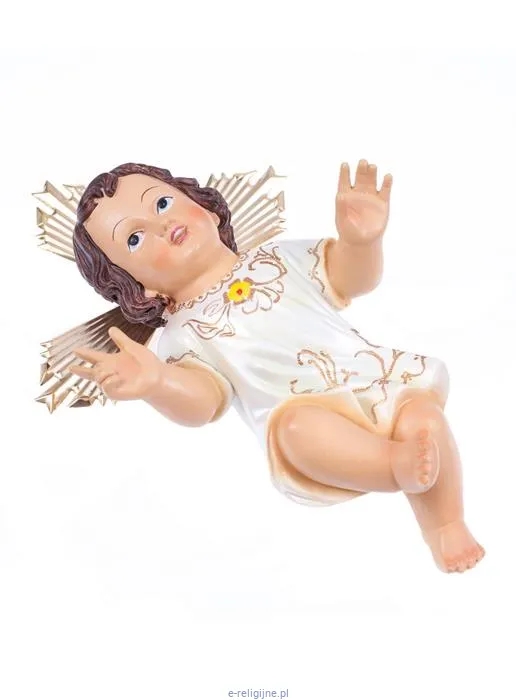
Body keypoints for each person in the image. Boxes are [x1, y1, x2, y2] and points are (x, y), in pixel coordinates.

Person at [69, 160, 485, 573]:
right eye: (135, 238)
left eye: (162, 203)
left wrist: (361, 243)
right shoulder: (183, 335)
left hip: (372, 377)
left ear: (206, 208)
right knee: (296, 431)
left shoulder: (278, 258)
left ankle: (447, 526)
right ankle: (392, 464)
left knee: (423, 418)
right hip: (306, 417)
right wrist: (157, 383)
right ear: (138, 287)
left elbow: (349, 279)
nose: (161, 225)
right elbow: (204, 402)